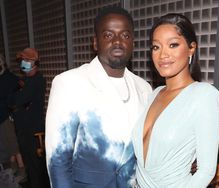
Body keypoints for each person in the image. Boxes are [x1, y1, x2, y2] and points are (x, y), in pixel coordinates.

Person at [45, 6, 152, 188]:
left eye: (125, 35)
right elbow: (58, 160)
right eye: (108, 35)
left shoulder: (144, 88)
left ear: (133, 42)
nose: (117, 42)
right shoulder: (69, 83)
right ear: (95, 43)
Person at [132, 13, 219, 187]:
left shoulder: (204, 95)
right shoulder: (153, 94)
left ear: (191, 48)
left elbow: (206, 171)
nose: (163, 54)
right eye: (156, 47)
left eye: (173, 45)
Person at [9, 48, 49, 188]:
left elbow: (16, 100)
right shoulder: (25, 80)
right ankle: (32, 182)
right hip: (23, 128)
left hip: (33, 129)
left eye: (26, 60)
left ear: (34, 63)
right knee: (28, 160)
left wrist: (16, 99)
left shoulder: (36, 80)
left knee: (35, 163)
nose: (23, 63)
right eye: (22, 60)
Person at [0, 54, 23, 188]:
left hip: (6, 116)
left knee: (12, 144)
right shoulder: (5, 77)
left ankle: (20, 169)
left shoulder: (8, 78)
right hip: (3, 115)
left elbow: (14, 96)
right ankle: (13, 168)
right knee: (8, 145)